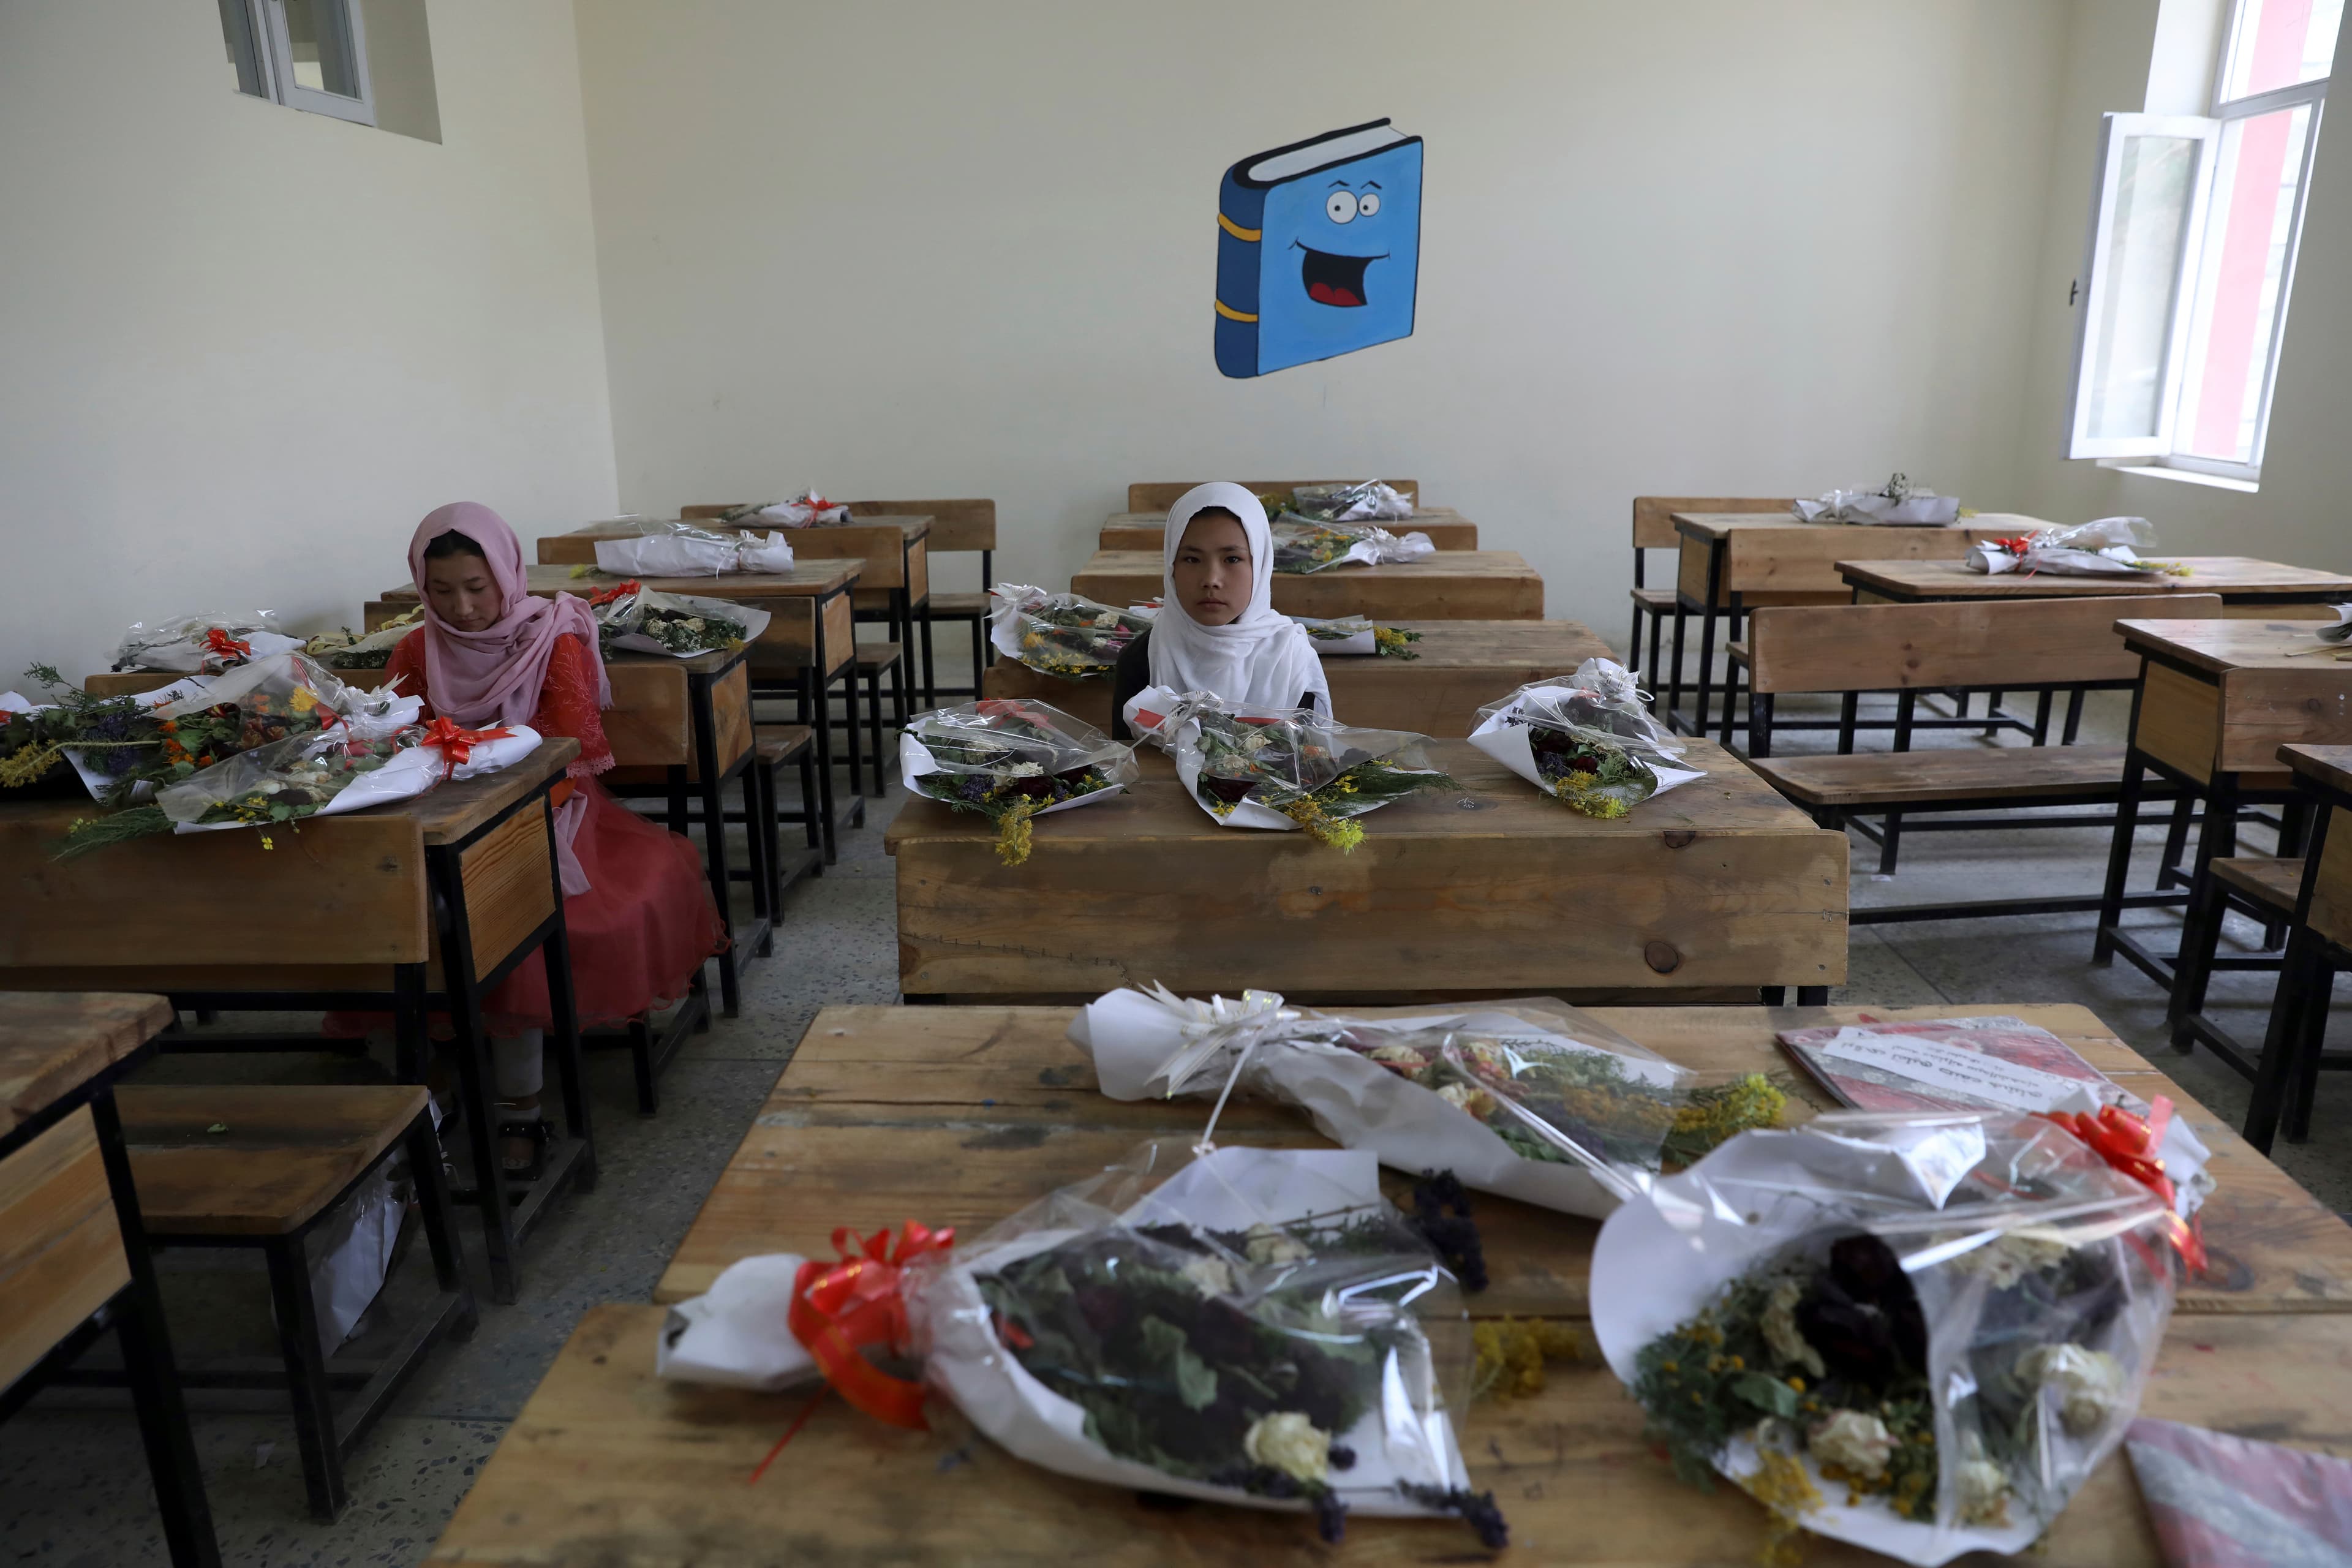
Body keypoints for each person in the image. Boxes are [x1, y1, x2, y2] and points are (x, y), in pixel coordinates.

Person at [383, 502, 727, 1177]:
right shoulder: (415, 650)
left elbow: (570, 750)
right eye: (443, 591)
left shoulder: (549, 636)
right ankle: (429, 1081)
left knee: (513, 925)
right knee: (391, 920)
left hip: (551, 808)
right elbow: (395, 740)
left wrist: (490, 787)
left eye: (478, 588)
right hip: (438, 817)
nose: (463, 607)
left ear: (507, 576)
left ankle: (522, 1106)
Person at [1110, 482, 1329, 740]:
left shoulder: (1291, 660)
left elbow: (1309, 767)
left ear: (1259, 565)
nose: (1211, 579)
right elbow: (1129, 767)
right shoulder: (1143, 659)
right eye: (1192, 559)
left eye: (1232, 559)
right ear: (1171, 568)